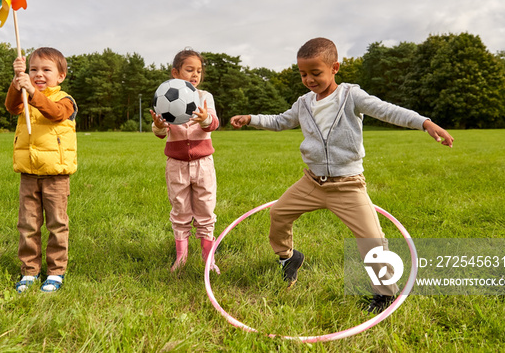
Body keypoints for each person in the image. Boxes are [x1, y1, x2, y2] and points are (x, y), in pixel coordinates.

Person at [230, 37, 453, 313]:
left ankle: (385, 295)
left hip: (347, 186)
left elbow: (387, 110)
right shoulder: (303, 103)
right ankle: (288, 258)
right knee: (278, 214)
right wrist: (251, 118)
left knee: (372, 239)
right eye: (303, 74)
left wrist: (424, 122)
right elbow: (280, 121)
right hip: (312, 182)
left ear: (334, 67)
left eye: (315, 73)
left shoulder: (351, 96)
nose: (309, 79)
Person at [5, 47, 78, 293]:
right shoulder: (26, 95)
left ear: (61, 76)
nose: (38, 74)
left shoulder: (65, 100)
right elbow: (11, 107)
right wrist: (17, 83)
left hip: (56, 175)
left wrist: (32, 91)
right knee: (28, 224)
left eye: (46, 70)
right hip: (29, 173)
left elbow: (55, 113)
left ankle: (56, 272)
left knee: (57, 224)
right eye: (33, 69)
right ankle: (30, 271)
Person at [150, 49, 221, 274]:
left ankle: (207, 256)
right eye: (189, 70)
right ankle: (181, 255)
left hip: (203, 164)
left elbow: (213, 123)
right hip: (176, 165)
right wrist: (159, 127)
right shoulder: (165, 96)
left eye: (198, 71)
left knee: (206, 208)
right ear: (175, 72)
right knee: (180, 208)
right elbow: (160, 131)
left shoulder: (204, 97)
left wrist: (205, 119)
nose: (195, 75)